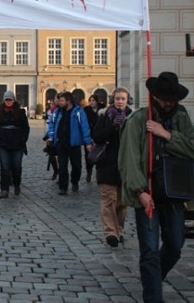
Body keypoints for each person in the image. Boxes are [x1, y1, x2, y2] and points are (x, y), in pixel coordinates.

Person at [119, 72, 194, 302]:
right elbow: (129, 160)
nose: (169, 102)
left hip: (174, 193)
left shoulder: (181, 116)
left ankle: (152, 277)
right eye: (165, 98)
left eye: (172, 98)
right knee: (150, 250)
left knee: (175, 245)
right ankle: (153, 296)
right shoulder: (139, 120)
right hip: (148, 191)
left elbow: (191, 149)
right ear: (156, 96)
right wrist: (139, 191)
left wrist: (167, 135)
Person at [92, 87, 132, 248]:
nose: (120, 102)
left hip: (126, 164)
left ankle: (119, 230)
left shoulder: (133, 117)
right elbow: (96, 136)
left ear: (127, 100)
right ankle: (111, 233)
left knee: (122, 202)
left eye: (123, 99)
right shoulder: (104, 116)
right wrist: (112, 128)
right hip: (107, 163)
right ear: (112, 100)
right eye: (117, 99)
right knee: (108, 199)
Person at [47, 91, 93, 195]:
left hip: (74, 143)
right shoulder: (58, 112)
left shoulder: (78, 112)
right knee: (62, 167)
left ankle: (75, 182)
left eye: (62, 100)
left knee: (76, 166)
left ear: (68, 101)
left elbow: (84, 127)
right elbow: (52, 124)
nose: (60, 102)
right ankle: (63, 187)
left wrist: (88, 142)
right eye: (59, 100)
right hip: (61, 143)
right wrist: (51, 137)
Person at [0, 91, 30, 198]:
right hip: (3, 142)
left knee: (16, 166)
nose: (8, 102)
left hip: (17, 143)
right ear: (4, 100)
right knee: (5, 166)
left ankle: (17, 184)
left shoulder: (20, 112)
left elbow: (26, 128)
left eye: (10, 99)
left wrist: (23, 139)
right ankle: (4, 189)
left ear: (14, 100)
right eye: (6, 100)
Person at [83, 94, 105, 182]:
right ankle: (89, 172)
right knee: (88, 155)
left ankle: (98, 173)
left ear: (97, 101)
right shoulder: (86, 110)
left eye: (93, 100)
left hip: (99, 135)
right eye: (90, 101)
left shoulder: (103, 110)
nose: (91, 102)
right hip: (88, 135)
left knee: (99, 154)